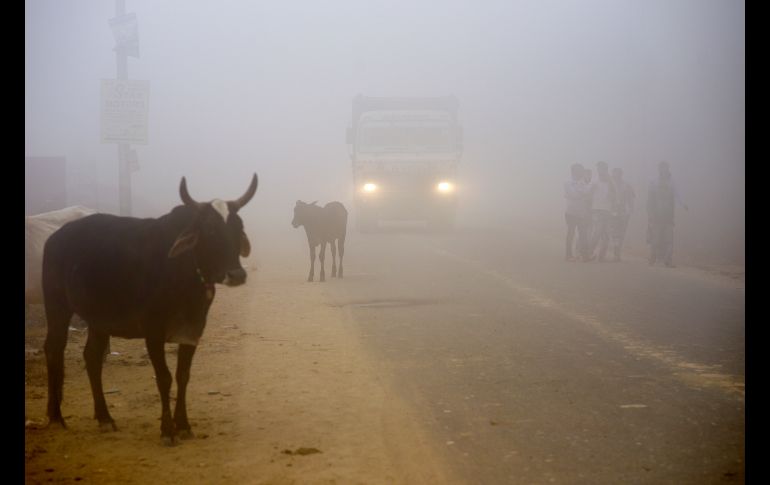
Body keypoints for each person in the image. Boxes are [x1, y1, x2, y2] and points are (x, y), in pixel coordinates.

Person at [647, 161, 688, 267]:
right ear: (659, 169)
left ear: (668, 169)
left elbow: (678, 195)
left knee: (669, 240)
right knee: (656, 239)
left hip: (669, 216)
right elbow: (650, 199)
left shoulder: (672, 182)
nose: (663, 170)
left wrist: (683, 204)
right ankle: (653, 257)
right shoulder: (654, 182)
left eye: (665, 168)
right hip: (656, 216)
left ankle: (668, 260)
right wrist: (650, 214)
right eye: (661, 168)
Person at [564, 164, 593, 261]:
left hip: (581, 212)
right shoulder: (568, 182)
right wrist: (582, 192)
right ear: (574, 172)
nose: (582, 173)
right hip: (571, 212)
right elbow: (574, 195)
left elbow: (587, 193)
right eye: (580, 171)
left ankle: (585, 255)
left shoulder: (583, 182)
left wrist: (582, 192)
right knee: (571, 233)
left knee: (583, 234)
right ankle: (569, 255)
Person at [588, 161, 616, 262]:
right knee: (598, 231)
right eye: (599, 168)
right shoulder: (595, 181)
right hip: (597, 209)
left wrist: (613, 206)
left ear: (606, 169)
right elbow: (589, 194)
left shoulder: (611, 182)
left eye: (603, 168)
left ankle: (601, 256)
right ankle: (589, 252)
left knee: (606, 234)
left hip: (607, 210)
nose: (601, 170)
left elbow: (614, 196)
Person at [610, 167, 635, 262]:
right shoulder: (609, 185)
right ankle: (615, 251)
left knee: (621, 233)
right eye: (614, 174)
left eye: (617, 174)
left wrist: (631, 209)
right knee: (614, 232)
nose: (615, 176)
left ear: (621, 175)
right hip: (612, 212)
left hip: (623, 212)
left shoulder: (626, 185)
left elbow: (631, 198)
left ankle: (618, 252)